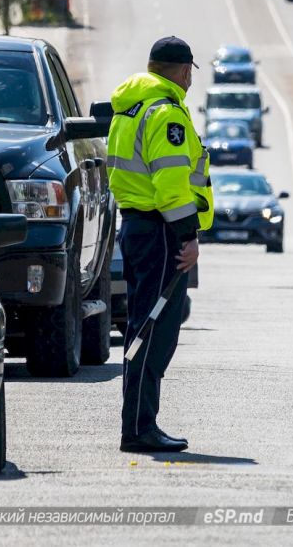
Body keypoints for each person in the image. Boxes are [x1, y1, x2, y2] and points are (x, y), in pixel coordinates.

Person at [106, 36, 214, 453]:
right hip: (161, 233)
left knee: (144, 328)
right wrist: (188, 237)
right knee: (153, 332)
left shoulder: (131, 106)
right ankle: (138, 429)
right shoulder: (166, 114)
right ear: (184, 70)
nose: (190, 80)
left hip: (140, 228)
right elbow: (171, 185)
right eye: (189, 72)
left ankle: (139, 424)